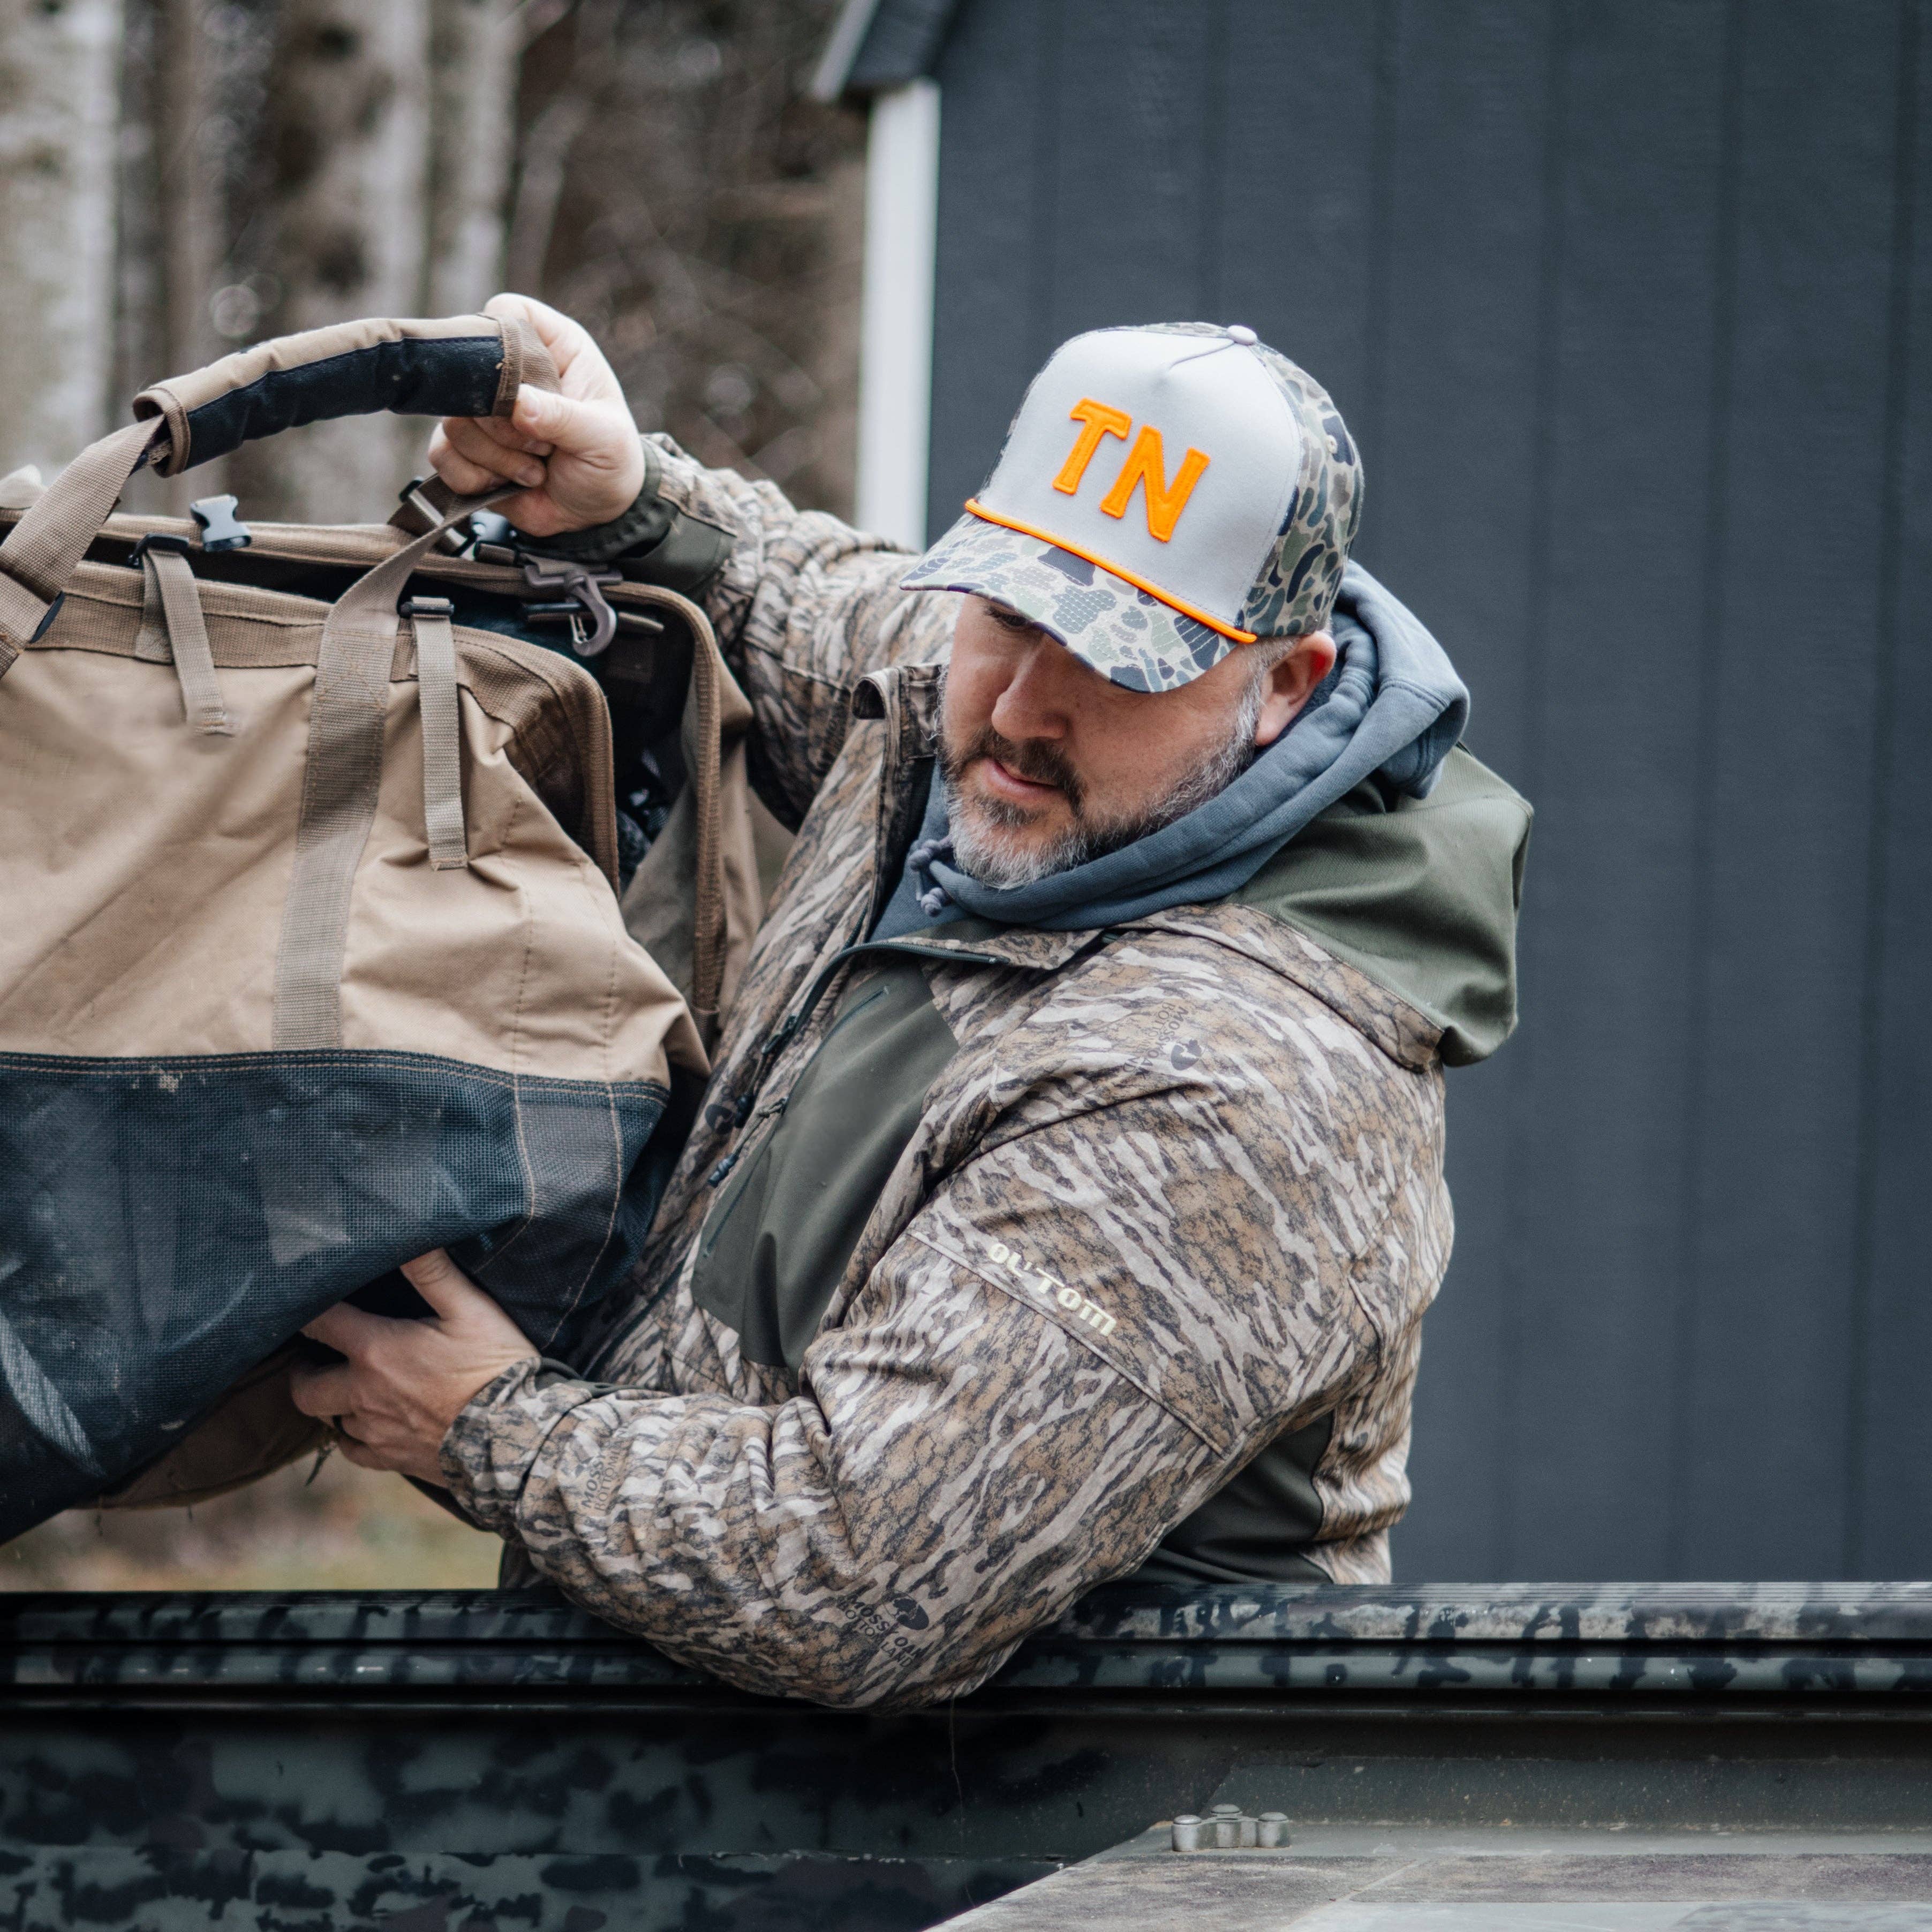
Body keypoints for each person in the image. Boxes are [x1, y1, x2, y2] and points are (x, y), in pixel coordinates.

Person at [292, 297, 1532, 1708]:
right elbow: (825, 612)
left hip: (1051, 1856)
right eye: (1011, 610)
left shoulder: (1236, 1087)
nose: (1019, 710)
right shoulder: (978, 718)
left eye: (1119, 658)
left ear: (1282, 686)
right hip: (708, 1796)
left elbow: (861, 1577)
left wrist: (488, 1427)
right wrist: (632, 506)